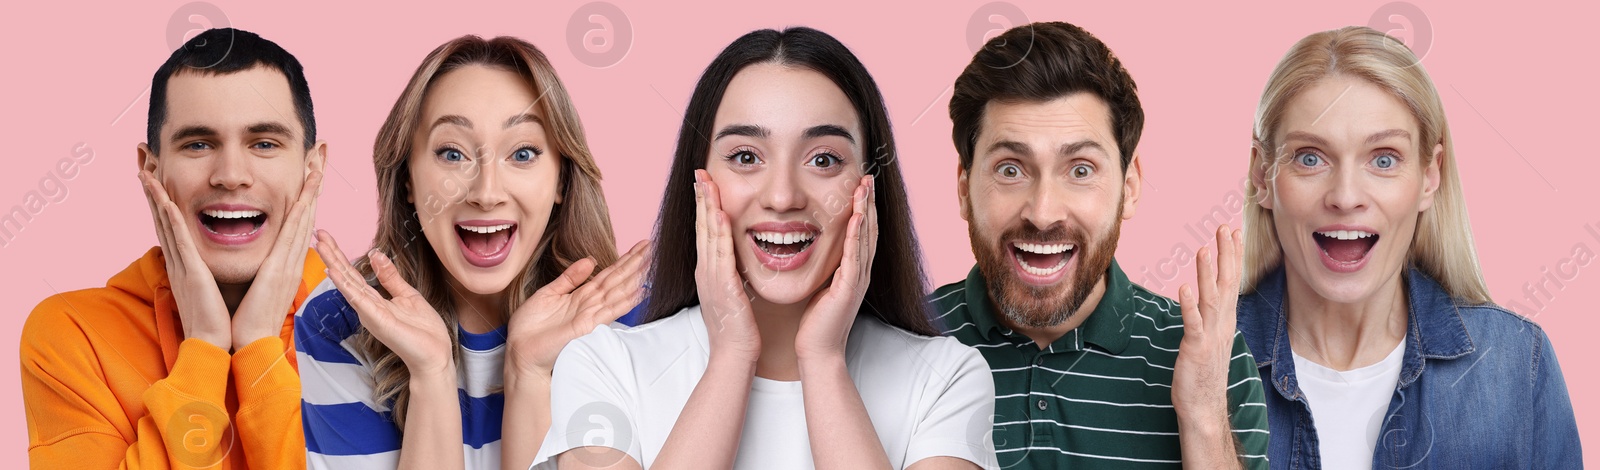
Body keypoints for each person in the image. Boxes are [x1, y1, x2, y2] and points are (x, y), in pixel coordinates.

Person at [535, 27, 996, 469]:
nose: (782, 197)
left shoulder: (946, 379)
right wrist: (731, 355)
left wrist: (823, 360)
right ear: (699, 182)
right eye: (746, 157)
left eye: (823, 159)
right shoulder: (603, 366)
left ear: (869, 187)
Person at [296, 35, 649, 469]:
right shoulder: (340, 322)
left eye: (522, 153)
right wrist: (431, 375)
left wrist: (528, 374)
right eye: (452, 153)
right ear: (407, 178)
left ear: (561, 180)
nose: (486, 193)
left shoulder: (630, 323)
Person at [1237, 26, 1581, 468]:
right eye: (1310, 157)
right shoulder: (1190, 355)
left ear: (1430, 176)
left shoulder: (1516, 365)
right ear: (1262, 176)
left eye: (1383, 159)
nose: (1345, 195)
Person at [930, 21, 1270, 468]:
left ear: (1128, 189)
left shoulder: (1211, 358)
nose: (1043, 211)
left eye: (1081, 169)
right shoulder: (908, 339)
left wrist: (1204, 416)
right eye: (1010, 169)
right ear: (963, 189)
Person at [20, 27, 326, 469]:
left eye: (264, 143)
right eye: (199, 144)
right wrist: (204, 348)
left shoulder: (374, 330)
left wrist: (257, 345)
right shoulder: (74, 333)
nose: (231, 174)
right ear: (150, 169)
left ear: (311, 168)